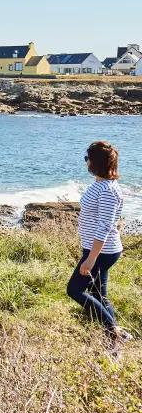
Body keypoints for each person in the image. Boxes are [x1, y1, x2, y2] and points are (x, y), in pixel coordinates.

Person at [66, 141, 131, 351]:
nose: (86, 162)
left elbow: (105, 226)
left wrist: (91, 258)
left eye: (87, 158)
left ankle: (114, 332)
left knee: (74, 290)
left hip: (102, 252)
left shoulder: (108, 191)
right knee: (99, 295)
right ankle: (115, 339)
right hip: (96, 249)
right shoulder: (101, 184)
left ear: (96, 162)